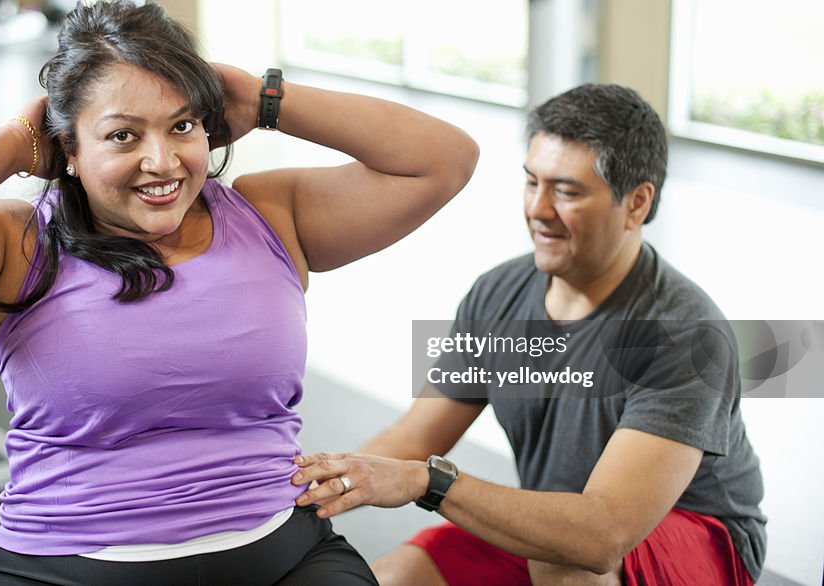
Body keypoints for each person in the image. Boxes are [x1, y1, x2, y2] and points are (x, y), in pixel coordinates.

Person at [0, 0, 478, 585]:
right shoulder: (16, 243)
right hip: (68, 566)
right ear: (67, 149)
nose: (162, 162)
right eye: (122, 135)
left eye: (183, 125)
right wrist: (15, 142)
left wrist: (266, 97)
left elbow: (443, 159)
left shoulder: (270, 215)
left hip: (280, 553)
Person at [290, 84, 766, 585]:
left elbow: (602, 535)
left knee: (567, 562)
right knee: (396, 576)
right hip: (560, 523)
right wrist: (300, 498)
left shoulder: (685, 335)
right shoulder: (500, 294)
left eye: (566, 190)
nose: (538, 210)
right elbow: (414, 438)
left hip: (694, 537)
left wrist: (428, 482)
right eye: (531, 182)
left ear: (637, 203)